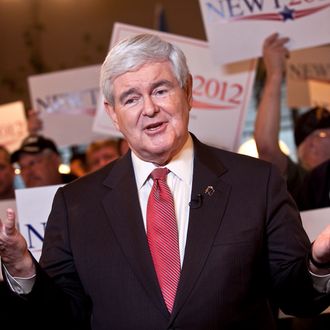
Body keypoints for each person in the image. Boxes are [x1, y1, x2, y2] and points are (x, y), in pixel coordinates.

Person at [0, 34, 330, 330]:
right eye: (130, 98)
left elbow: (299, 299)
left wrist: (317, 261)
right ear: (113, 113)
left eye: (160, 90)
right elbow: (61, 316)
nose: (150, 109)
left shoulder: (257, 183)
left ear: (187, 92)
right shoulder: (75, 204)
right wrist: (23, 268)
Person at [254, 33, 330, 202]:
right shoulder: (303, 182)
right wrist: (275, 74)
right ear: (311, 146)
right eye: (327, 134)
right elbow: (266, 147)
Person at [10, 134, 76, 188]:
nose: (27, 172)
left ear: (55, 160)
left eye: (32, 163)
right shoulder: (17, 202)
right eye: (22, 167)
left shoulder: (81, 192)